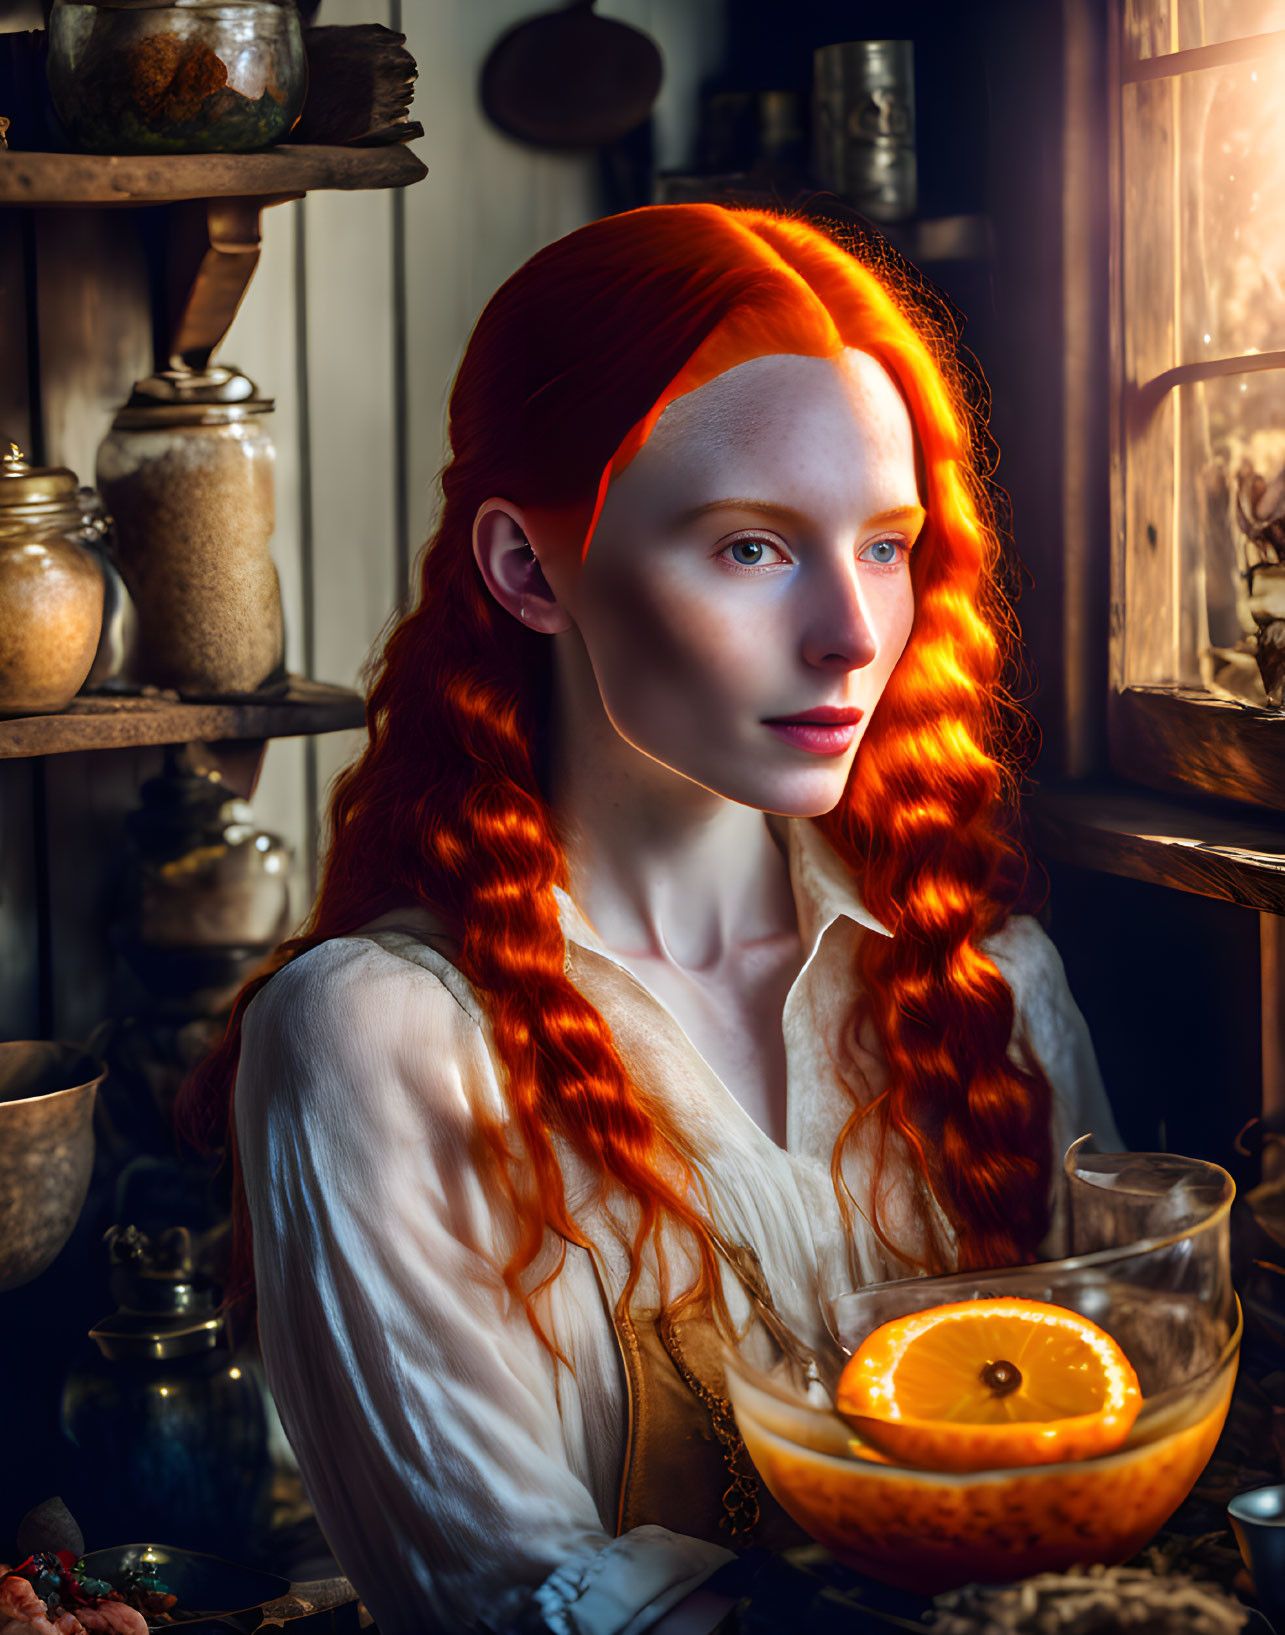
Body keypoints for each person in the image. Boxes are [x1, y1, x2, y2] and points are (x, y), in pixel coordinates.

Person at [181, 203, 1121, 1635]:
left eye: (883, 546)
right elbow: (509, 1598)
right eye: (751, 548)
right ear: (525, 568)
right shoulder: (377, 1042)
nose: (853, 636)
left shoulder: (989, 983)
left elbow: (1114, 1442)